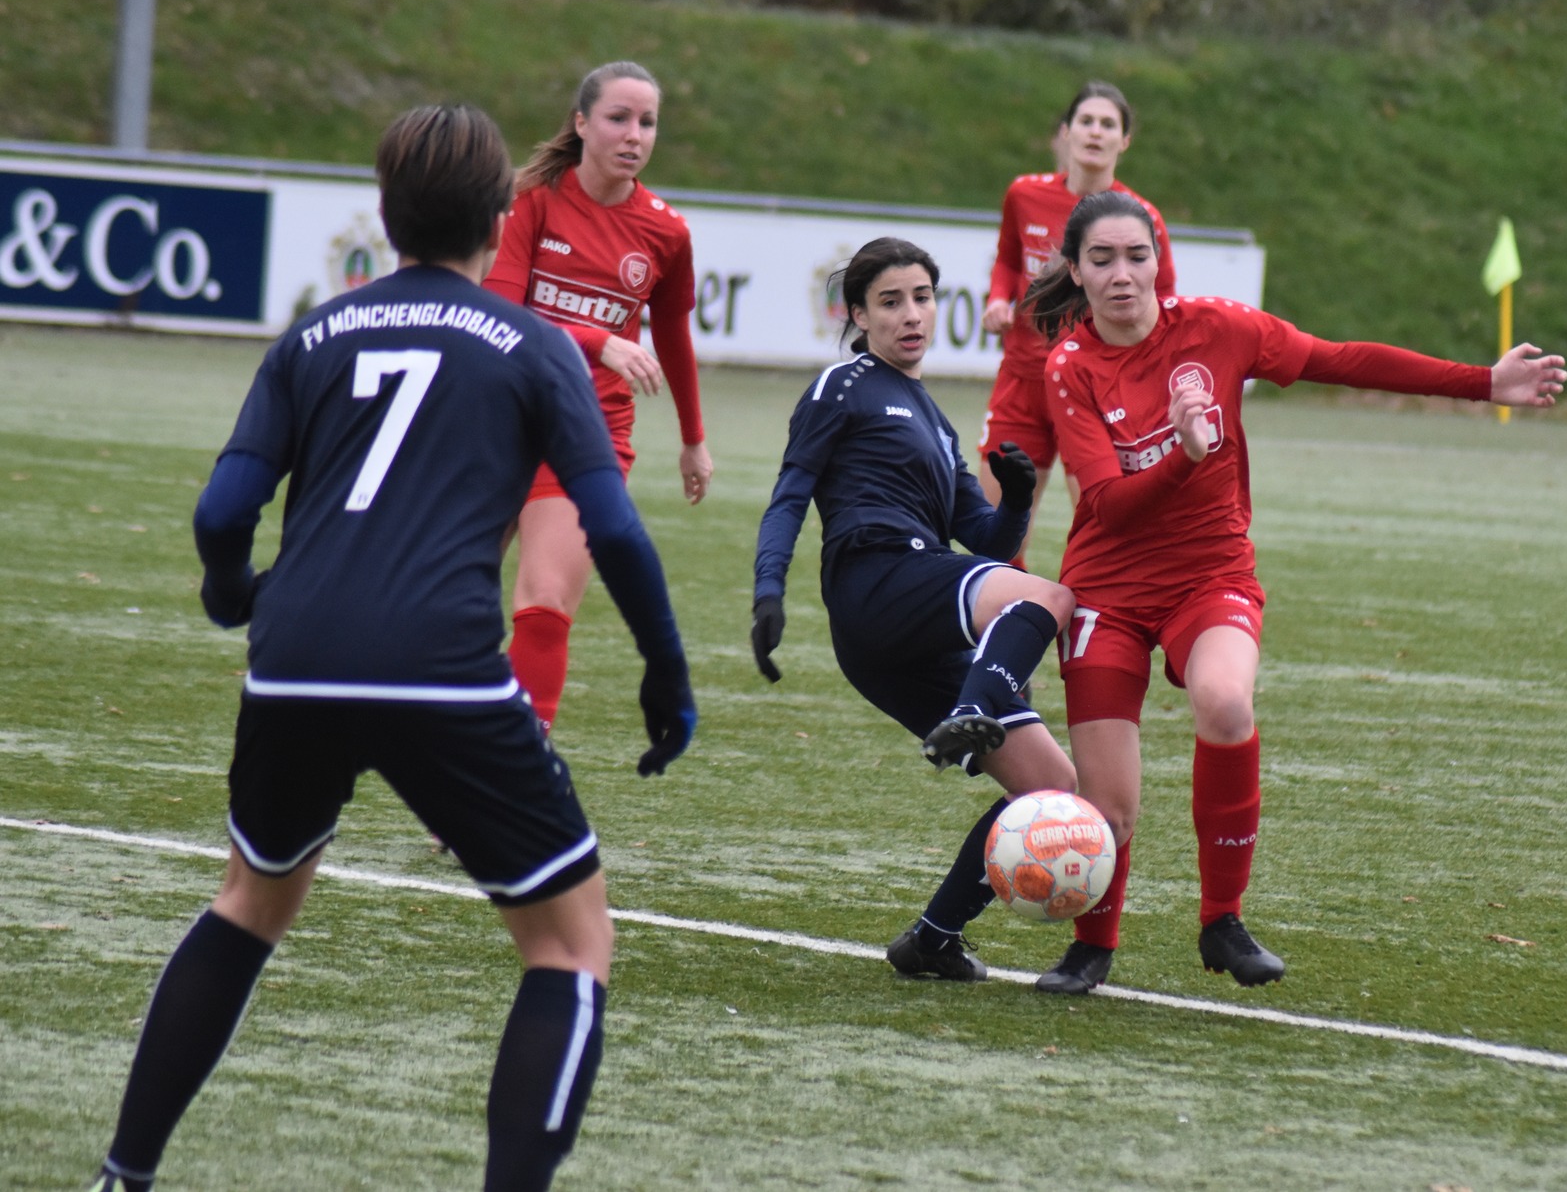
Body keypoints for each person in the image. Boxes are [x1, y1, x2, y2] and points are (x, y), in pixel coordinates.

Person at [88, 104, 698, 1192]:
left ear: (385, 214)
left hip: (295, 660)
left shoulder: (314, 334)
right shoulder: (535, 346)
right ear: (501, 215)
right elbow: (611, 526)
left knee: (251, 902)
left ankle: (123, 1175)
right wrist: (665, 669)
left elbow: (223, 511)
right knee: (568, 947)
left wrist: (234, 596)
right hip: (441, 669)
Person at [1023, 191, 1567, 994]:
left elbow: (1340, 359)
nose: (1121, 275)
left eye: (1136, 256)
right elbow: (1106, 505)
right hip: (1107, 585)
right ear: (1076, 269)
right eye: (1100, 260)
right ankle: (1092, 944)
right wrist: (1181, 450)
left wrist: (1484, 382)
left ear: (1158, 259)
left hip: (1210, 575)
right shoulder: (1070, 367)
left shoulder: (1218, 328)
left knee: (1225, 703)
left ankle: (1222, 921)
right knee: (1111, 809)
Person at [751, 237, 1080, 982]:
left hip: (910, 622)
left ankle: (931, 938)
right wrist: (768, 589)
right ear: (858, 314)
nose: (911, 314)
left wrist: (1019, 492)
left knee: (1051, 788)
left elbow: (986, 538)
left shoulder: (933, 417)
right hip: (877, 580)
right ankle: (972, 706)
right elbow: (789, 494)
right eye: (891, 301)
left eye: (922, 297)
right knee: (1050, 596)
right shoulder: (843, 385)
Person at [484, 60, 712, 737]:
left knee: (546, 602)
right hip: (496, 423)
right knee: (443, 608)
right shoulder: (529, 201)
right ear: (581, 123)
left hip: (585, 436)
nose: (634, 134)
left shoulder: (666, 232)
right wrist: (598, 340)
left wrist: (693, 438)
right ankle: (449, 751)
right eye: (618, 117)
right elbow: (500, 311)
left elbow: (672, 332)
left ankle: (507, 778)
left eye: (647, 122)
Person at [976, 81, 1175, 569]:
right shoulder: (1023, 195)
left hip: (1094, 387)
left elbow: (1165, 303)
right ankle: (1006, 630)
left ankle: (1095, 633)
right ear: (1066, 132)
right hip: (1022, 382)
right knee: (993, 533)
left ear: (1124, 141)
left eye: (1109, 124)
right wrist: (999, 298)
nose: (1095, 132)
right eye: (1086, 121)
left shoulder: (1141, 217)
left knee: (1103, 531)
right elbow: (1007, 260)